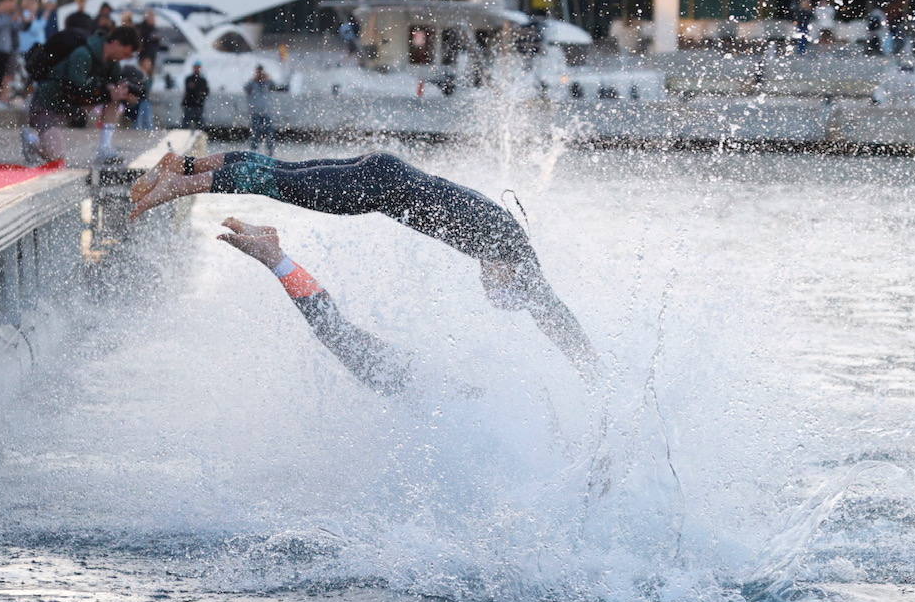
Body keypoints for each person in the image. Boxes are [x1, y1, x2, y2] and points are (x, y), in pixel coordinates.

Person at [129, 150, 598, 377]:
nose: (488, 286)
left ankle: (182, 166)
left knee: (284, 171)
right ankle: (181, 185)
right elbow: (552, 313)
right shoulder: (511, 252)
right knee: (280, 183)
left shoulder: (501, 233)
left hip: (384, 172)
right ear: (515, 276)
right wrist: (593, 370)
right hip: (380, 189)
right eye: (496, 290)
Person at [217, 219, 415, 393]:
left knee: (337, 334)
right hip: (419, 378)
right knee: (342, 338)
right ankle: (276, 258)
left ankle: (278, 259)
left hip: (419, 377)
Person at [20, 24, 142, 165]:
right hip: (48, 104)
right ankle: (31, 140)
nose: (124, 58)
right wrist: (106, 90)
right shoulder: (83, 54)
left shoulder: (112, 64)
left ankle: (105, 148)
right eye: (125, 53)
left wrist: (125, 95)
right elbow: (75, 86)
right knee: (56, 157)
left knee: (115, 96)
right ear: (115, 43)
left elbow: (111, 89)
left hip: (73, 106)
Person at [244, 64, 276, 154]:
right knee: (255, 134)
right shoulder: (252, 83)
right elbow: (245, 88)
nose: (260, 73)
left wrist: (268, 78)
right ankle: (254, 152)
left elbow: (276, 86)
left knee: (269, 134)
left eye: (261, 71)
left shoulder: (268, 82)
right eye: (258, 71)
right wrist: (254, 79)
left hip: (267, 113)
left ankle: (270, 152)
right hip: (255, 113)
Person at [181, 61, 209, 129]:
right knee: (186, 121)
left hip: (198, 104)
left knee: (199, 122)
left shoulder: (202, 80)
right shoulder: (189, 78)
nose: (196, 69)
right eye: (195, 67)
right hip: (189, 104)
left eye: (198, 67)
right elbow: (189, 89)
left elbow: (205, 91)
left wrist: (200, 95)